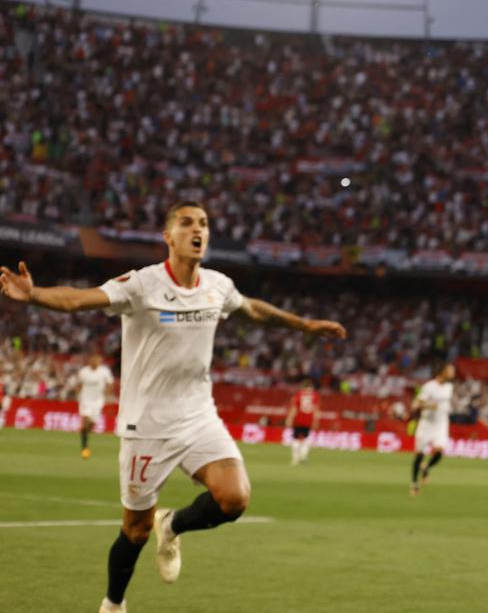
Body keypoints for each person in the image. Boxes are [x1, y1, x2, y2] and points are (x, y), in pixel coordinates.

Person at [0, 201, 347, 613]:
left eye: (203, 223)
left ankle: (175, 524)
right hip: (146, 425)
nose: (197, 229)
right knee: (135, 530)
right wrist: (34, 294)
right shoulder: (142, 284)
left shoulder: (217, 285)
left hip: (199, 416)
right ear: (169, 237)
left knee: (234, 498)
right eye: (186, 223)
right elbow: (79, 300)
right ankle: (113, 603)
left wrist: (304, 326)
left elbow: (253, 309)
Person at [410, 363, 455, 496]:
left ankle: (426, 467)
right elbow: (416, 404)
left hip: (441, 424)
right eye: (451, 371)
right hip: (426, 424)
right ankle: (414, 483)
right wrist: (429, 405)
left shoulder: (449, 387)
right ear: (442, 372)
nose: (453, 373)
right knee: (419, 454)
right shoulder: (429, 387)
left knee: (440, 451)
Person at [76, 354, 115, 459]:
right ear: (90, 361)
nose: (95, 362)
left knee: (92, 424)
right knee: (85, 421)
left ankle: (84, 433)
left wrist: (108, 394)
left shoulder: (104, 372)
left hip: (98, 401)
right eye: (93, 360)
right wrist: (77, 394)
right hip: (85, 400)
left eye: (97, 360)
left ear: (100, 361)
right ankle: (84, 448)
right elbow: (79, 384)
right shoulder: (84, 372)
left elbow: (110, 383)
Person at [284, 378, 321, 466]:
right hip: (309, 420)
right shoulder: (315, 395)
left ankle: (295, 458)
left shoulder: (299, 395)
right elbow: (316, 409)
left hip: (298, 419)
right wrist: (316, 420)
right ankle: (303, 456)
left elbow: (294, 408)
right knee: (306, 438)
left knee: (296, 438)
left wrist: (289, 418)